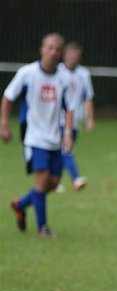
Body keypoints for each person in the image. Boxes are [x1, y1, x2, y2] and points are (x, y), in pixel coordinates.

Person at [1, 33, 74, 237]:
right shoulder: (27, 73)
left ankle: (20, 204)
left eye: (57, 49)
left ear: (61, 54)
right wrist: (4, 124)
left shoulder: (64, 78)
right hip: (34, 137)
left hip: (55, 138)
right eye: (49, 47)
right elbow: (7, 97)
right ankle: (42, 228)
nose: (53, 52)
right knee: (42, 180)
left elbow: (69, 108)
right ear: (41, 49)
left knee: (53, 183)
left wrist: (68, 134)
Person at [58, 41, 95, 191]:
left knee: (62, 151)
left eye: (76, 55)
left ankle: (54, 180)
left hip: (75, 120)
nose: (73, 58)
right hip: (58, 119)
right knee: (66, 150)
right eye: (70, 55)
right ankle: (76, 179)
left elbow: (88, 97)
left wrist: (90, 119)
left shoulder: (83, 74)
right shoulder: (57, 71)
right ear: (64, 55)